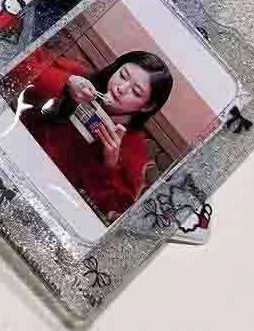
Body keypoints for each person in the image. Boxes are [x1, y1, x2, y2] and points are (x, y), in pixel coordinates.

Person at [12, 49, 173, 220]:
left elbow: (116, 211)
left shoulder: (133, 146)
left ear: (147, 106)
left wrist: (110, 164)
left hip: (46, 196)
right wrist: (66, 81)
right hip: (16, 144)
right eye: (122, 75)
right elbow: (17, 65)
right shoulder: (80, 79)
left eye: (136, 92)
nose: (121, 88)